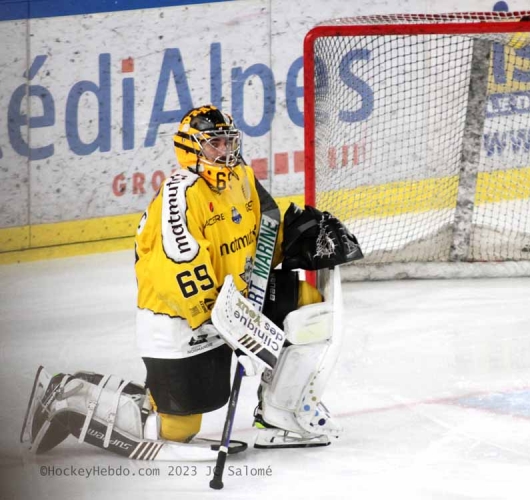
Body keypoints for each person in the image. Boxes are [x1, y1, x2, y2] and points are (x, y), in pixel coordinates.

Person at [20, 105, 362, 457]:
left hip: (234, 302)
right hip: (181, 320)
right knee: (175, 429)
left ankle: (280, 416)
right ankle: (69, 394)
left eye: (229, 143)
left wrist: (296, 241)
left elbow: (258, 231)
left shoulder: (241, 177)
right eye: (214, 144)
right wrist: (231, 325)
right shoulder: (181, 196)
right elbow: (180, 271)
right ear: (190, 149)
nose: (225, 152)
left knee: (308, 304)